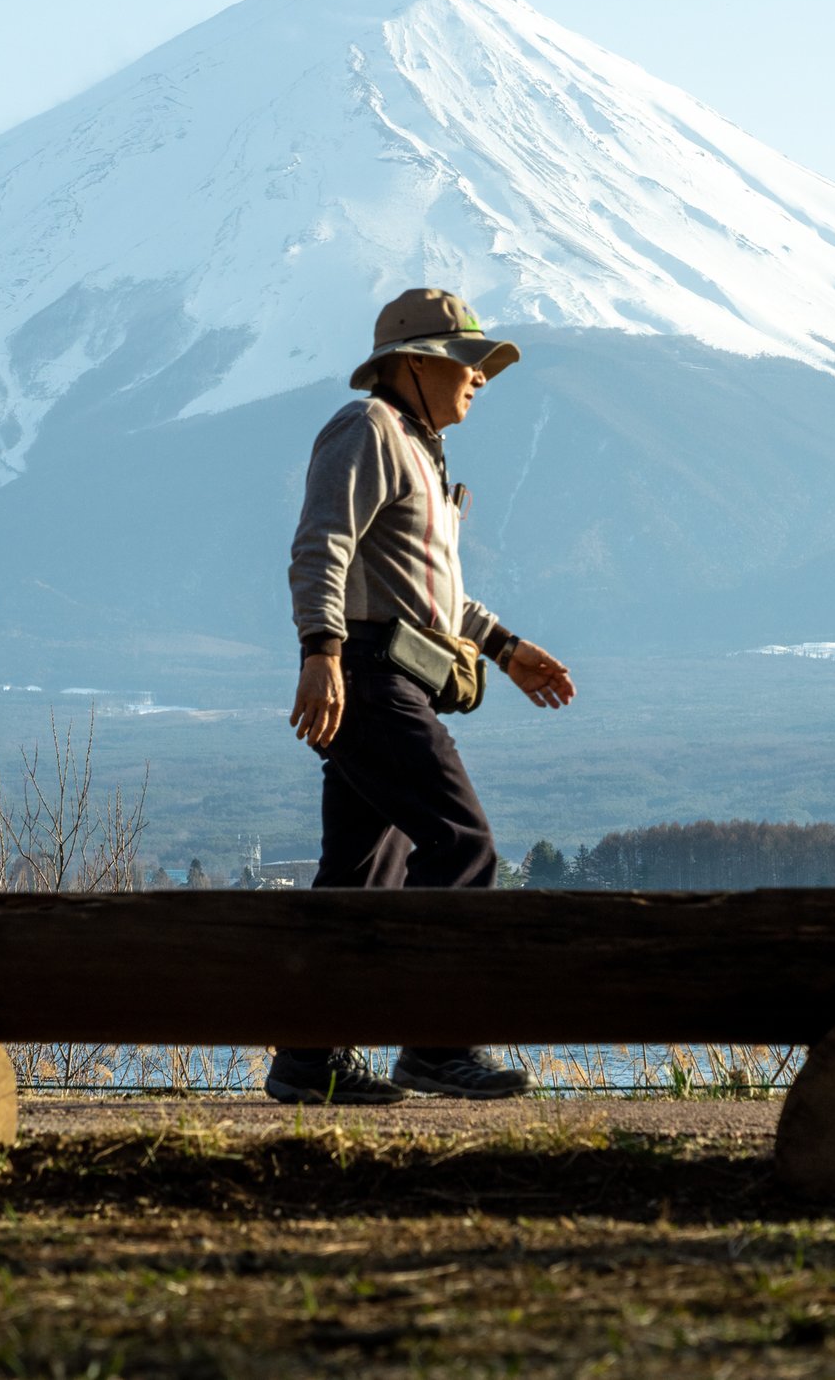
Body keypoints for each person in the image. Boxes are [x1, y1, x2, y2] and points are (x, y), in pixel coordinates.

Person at [267, 288, 579, 1105]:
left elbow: (429, 600)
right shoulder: (367, 429)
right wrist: (321, 654)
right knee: (463, 843)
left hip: (390, 670)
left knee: (360, 875)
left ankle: (308, 1058)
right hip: (368, 676)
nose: (479, 375)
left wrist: (505, 648)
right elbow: (320, 546)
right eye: (464, 360)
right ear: (412, 363)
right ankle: (437, 1046)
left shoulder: (421, 448)